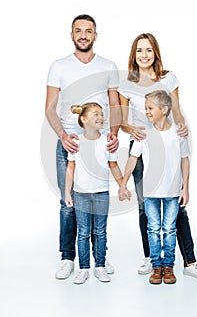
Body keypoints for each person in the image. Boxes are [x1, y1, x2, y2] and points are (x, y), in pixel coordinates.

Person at [118, 33, 197, 281]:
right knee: (144, 206)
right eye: (139, 50)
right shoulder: (127, 84)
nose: (144, 55)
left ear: (156, 53)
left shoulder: (169, 79)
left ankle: (189, 262)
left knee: (177, 205)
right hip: (142, 144)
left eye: (149, 50)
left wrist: (180, 128)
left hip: (169, 143)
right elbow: (122, 122)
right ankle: (153, 259)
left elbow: (176, 112)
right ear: (133, 54)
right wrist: (134, 130)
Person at [45, 14, 121, 279]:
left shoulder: (108, 66)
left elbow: (114, 104)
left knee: (97, 198)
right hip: (70, 142)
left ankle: (100, 258)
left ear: (95, 36)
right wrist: (63, 134)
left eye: (89, 31)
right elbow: (50, 108)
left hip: (99, 144)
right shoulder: (59, 66)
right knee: (69, 203)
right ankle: (68, 258)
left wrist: (113, 132)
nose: (83, 35)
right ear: (72, 35)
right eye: (79, 30)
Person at [119, 90, 190, 284]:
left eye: (150, 108)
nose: (146, 112)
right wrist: (123, 183)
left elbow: (185, 160)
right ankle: (156, 266)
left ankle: (169, 267)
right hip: (150, 191)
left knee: (169, 229)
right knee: (153, 228)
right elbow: (133, 159)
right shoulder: (144, 134)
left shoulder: (178, 133)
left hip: (172, 191)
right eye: (145, 108)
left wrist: (186, 188)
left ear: (164, 110)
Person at [65, 102, 128, 284]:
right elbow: (71, 168)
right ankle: (84, 268)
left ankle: (99, 266)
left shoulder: (107, 141)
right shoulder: (75, 141)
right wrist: (67, 193)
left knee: (100, 231)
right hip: (81, 194)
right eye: (95, 114)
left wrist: (122, 186)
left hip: (101, 194)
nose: (101, 117)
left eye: (102, 114)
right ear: (83, 120)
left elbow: (113, 165)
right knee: (83, 232)